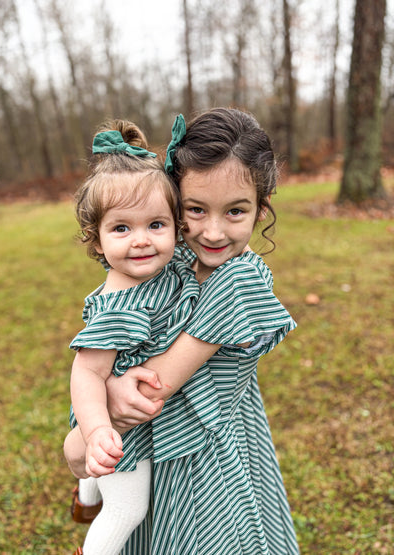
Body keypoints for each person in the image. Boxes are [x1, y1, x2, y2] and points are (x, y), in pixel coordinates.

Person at [66, 108, 300, 554]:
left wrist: (88, 430)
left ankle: (91, 499)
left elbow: (153, 388)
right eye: (195, 209)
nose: (212, 232)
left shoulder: (239, 281)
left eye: (236, 211)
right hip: (146, 447)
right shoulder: (167, 255)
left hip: (203, 460)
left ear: (261, 207)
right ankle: (90, 499)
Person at [66, 118, 216, 555]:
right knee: (128, 509)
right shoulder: (121, 306)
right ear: (96, 239)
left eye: (155, 225)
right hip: (118, 424)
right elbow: (87, 374)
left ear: (174, 226)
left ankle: (85, 495)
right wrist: (96, 432)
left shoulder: (164, 264)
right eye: (121, 229)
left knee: (95, 473)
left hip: (116, 413)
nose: (142, 242)